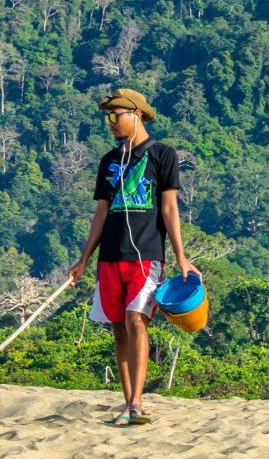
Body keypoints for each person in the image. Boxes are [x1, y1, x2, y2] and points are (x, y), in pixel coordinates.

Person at [68, 88, 201, 427]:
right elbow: (101, 211)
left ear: (136, 114)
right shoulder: (109, 161)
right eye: (108, 117)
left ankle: (138, 403)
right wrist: (84, 260)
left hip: (146, 255)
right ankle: (128, 403)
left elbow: (170, 208)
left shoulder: (162, 155)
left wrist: (181, 257)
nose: (110, 122)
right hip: (110, 256)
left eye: (116, 115)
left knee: (135, 320)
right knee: (118, 328)